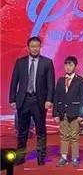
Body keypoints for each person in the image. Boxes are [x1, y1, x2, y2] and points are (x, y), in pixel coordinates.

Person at [9, 36, 55, 166]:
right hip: (23, 101)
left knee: (41, 130)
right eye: (32, 46)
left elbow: (50, 84)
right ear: (28, 47)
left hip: (39, 101)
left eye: (37, 46)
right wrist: (12, 99)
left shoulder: (47, 62)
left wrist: (49, 99)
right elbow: (14, 82)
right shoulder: (20, 62)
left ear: (40, 47)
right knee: (22, 131)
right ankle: (20, 156)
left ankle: (41, 157)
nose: (35, 49)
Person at [53, 56, 83, 167]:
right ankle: (63, 157)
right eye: (66, 65)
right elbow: (56, 97)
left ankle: (75, 157)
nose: (68, 67)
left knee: (74, 136)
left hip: (75, 113)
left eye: (70, 65)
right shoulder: (60, 80)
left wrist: (81, 114)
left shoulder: (80, 80)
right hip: (63, 112)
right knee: (64, 135)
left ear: (75, 66)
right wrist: (55, 113)